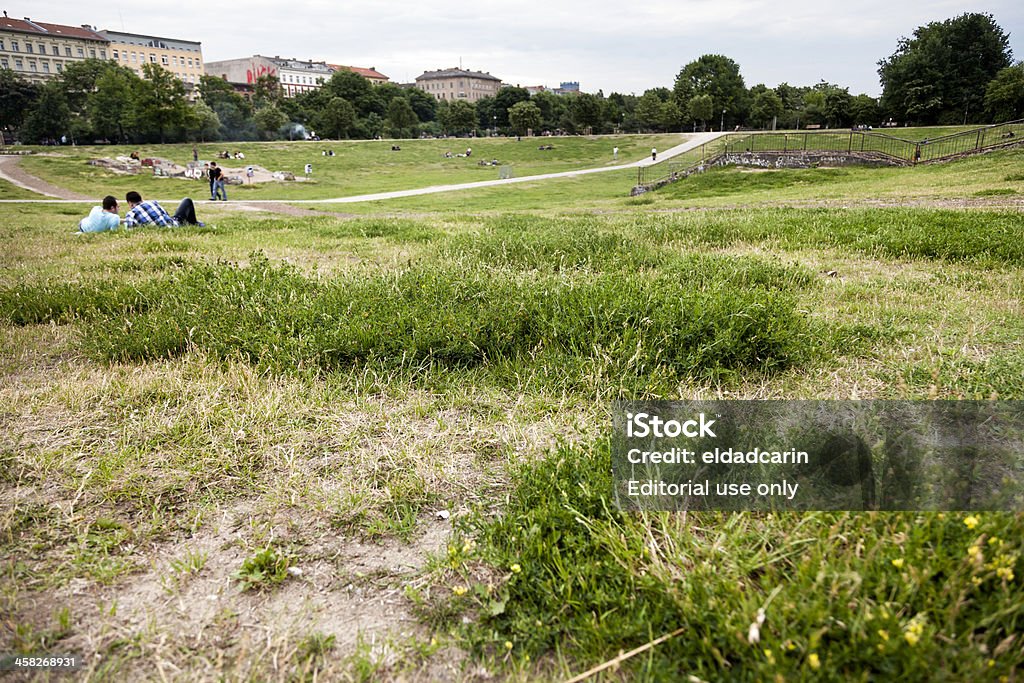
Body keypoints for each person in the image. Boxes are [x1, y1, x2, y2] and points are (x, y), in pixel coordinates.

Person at [123, 191, 203, 228]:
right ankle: (194, 223)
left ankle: (194, 224)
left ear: (130, 203)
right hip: (173, 226)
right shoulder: (153, 203)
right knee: (187, 200)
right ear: (141, 199)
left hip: (155, 230)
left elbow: (130, 229)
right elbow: (165, 215)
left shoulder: (131, 214)